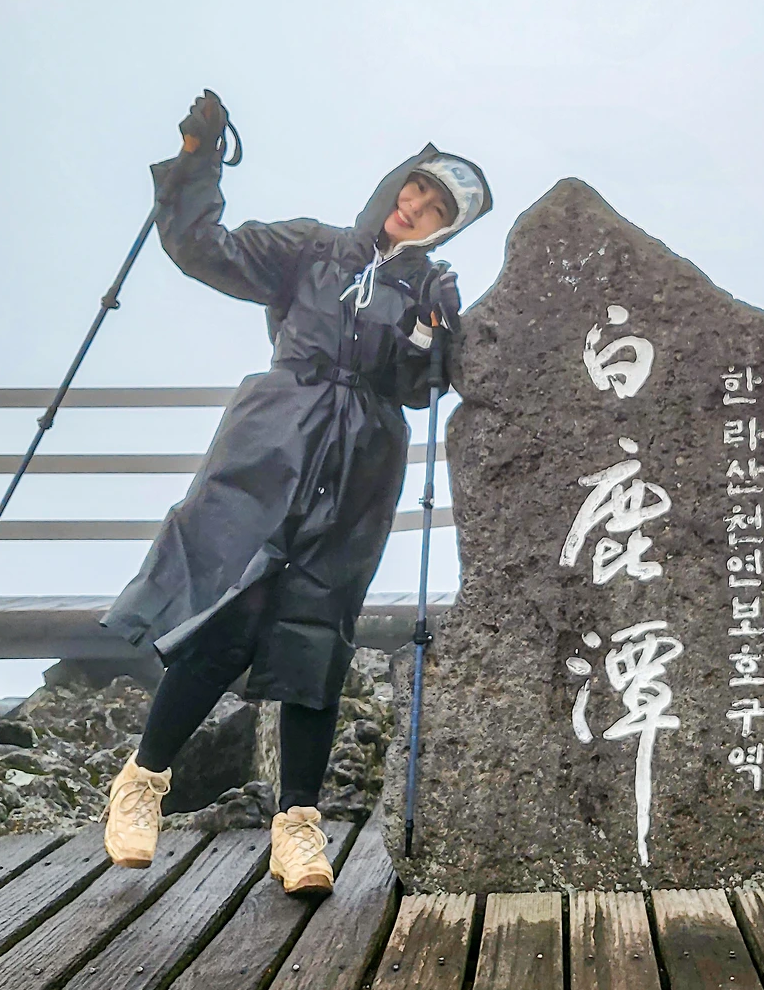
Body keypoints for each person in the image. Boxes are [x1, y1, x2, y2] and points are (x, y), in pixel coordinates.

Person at [99, 92, 492, 894]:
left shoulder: (430, 287)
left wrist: (434, 332)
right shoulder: (312, 247)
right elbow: (203, 248)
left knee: (318, 634)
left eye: (436, 211)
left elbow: (419, 389)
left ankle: (299, 829)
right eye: (416, 189)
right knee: (227, 616)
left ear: (446, 228)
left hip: (361, 466)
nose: (415, 209)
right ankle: (142, 782)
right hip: (272, 442)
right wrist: (198, 160)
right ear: (398, 181)